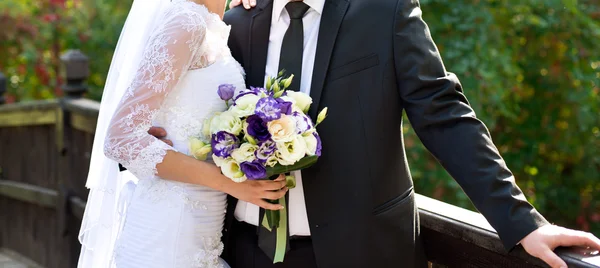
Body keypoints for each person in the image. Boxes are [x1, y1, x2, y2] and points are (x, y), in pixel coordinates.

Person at [147, 0, 600, 267]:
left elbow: (444, 115)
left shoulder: (385, 11)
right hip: (247, 250)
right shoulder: (240, 20)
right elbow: (207, 109)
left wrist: (522, 222)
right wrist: (167, 141)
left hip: (362, 251)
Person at [77, 0, 289, 267]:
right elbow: (121, 138)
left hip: (202, 233)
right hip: (166, 234)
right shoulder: (186, 23)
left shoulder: (212, 25)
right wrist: (231, 182)